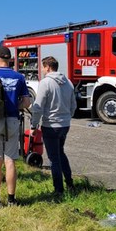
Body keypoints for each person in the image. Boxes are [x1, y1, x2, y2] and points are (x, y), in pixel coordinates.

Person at [0, 46, 31, 206]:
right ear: (9, 59)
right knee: (10, 160)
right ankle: (12, 199)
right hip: (12, 120)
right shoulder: (19, 77)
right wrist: (14, 105)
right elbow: (26, 102)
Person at [30, 56, 77, 198]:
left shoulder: (45, 83)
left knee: (54, 158)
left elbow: (38, 107)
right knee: (61, 153)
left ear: (48, 67)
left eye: (43, 68)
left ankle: (58, 190)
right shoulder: (68, 82)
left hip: (51, 125)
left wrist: (33, 124)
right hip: (64, 124)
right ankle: (70, 183)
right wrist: (67, 117)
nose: (43, 70)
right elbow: (73, 105)